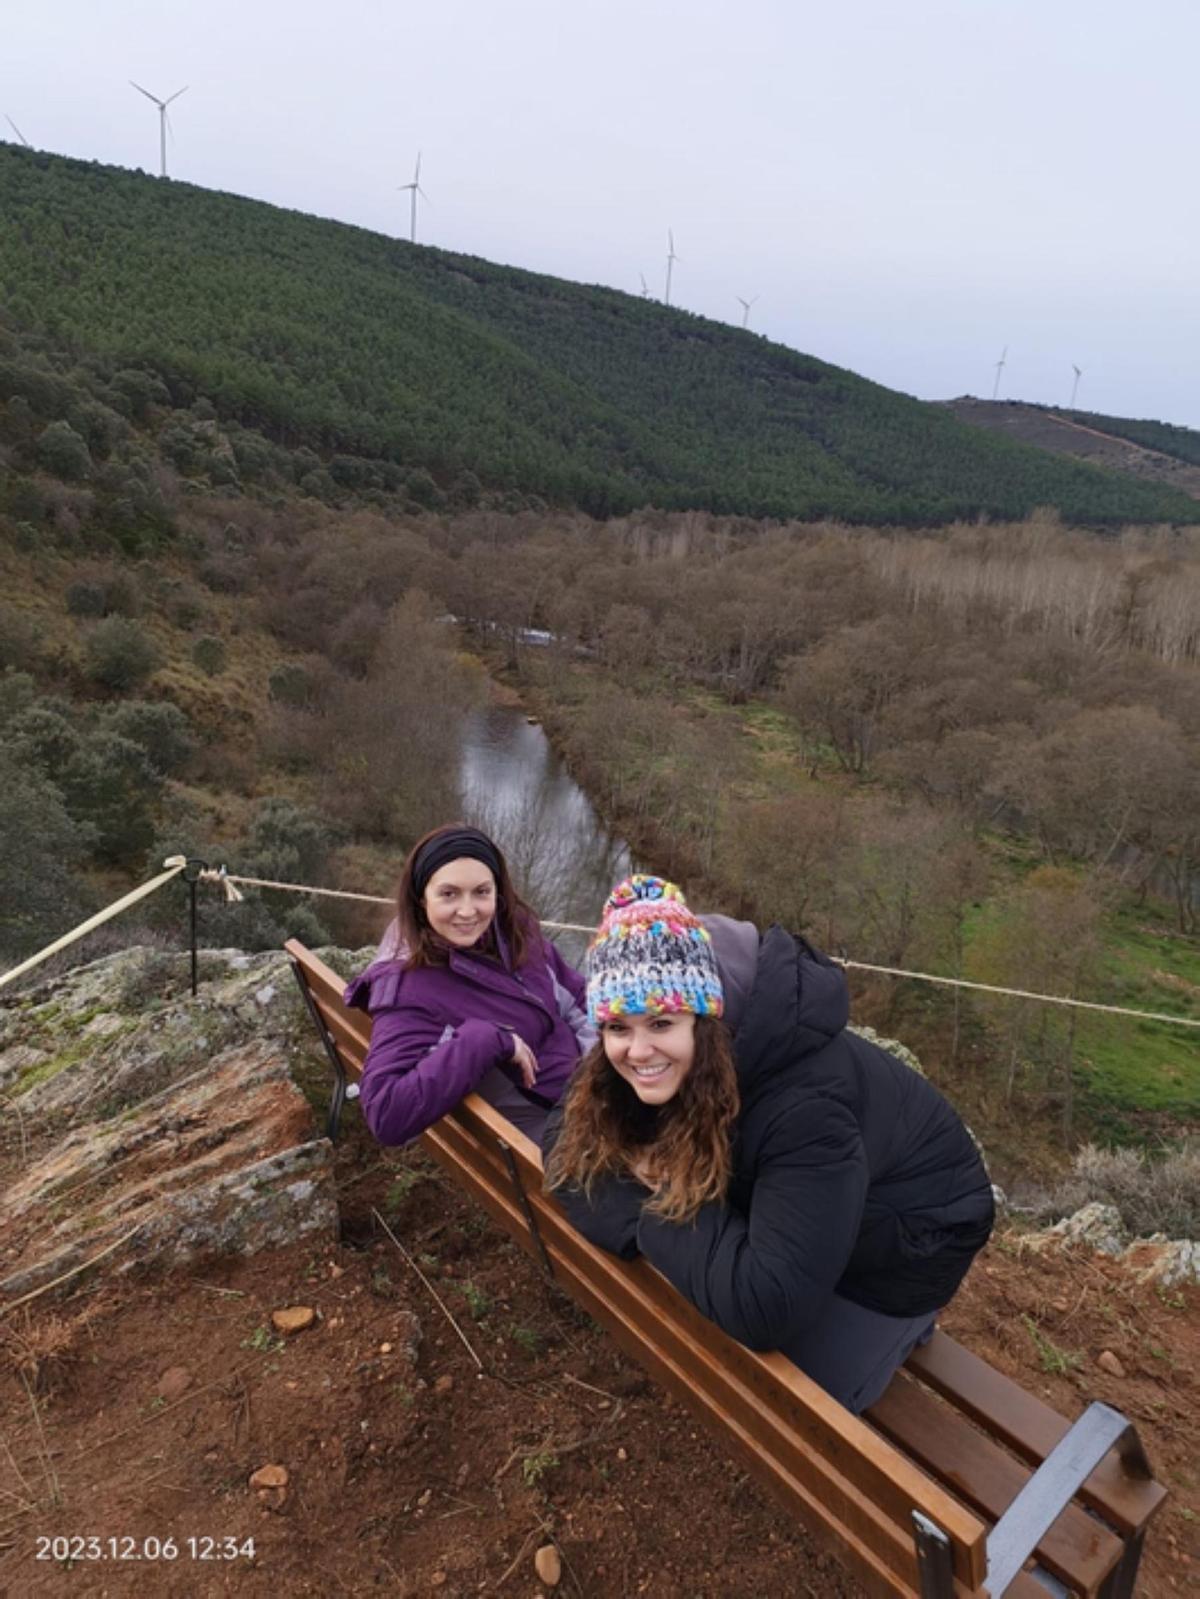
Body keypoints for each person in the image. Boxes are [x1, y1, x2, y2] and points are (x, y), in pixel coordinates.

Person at [543, 874, 994, 1414]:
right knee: (715, 1303)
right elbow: (563, 1145)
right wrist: (671, 1215)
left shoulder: (807, 1112)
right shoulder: (654, 1058)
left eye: (661, 1022)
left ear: (706, 1021)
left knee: (794, 1401)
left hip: (908, 1237)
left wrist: (656, 1203)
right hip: (818, 1193)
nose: (637, 1051)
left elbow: (767, 1307)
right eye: (617, 1028)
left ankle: (899, 1330)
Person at [345, 823, 595, 1146]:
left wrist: (604, 1067)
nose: (467, 911)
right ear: (422, 899)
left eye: (481, 892)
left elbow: (577, 995)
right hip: (556, 1123)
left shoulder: (512, 929)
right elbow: (386, 1114)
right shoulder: (411, 990)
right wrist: (487, 1039)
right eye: (449, 894)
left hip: (591, 1087)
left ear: (498, 890)